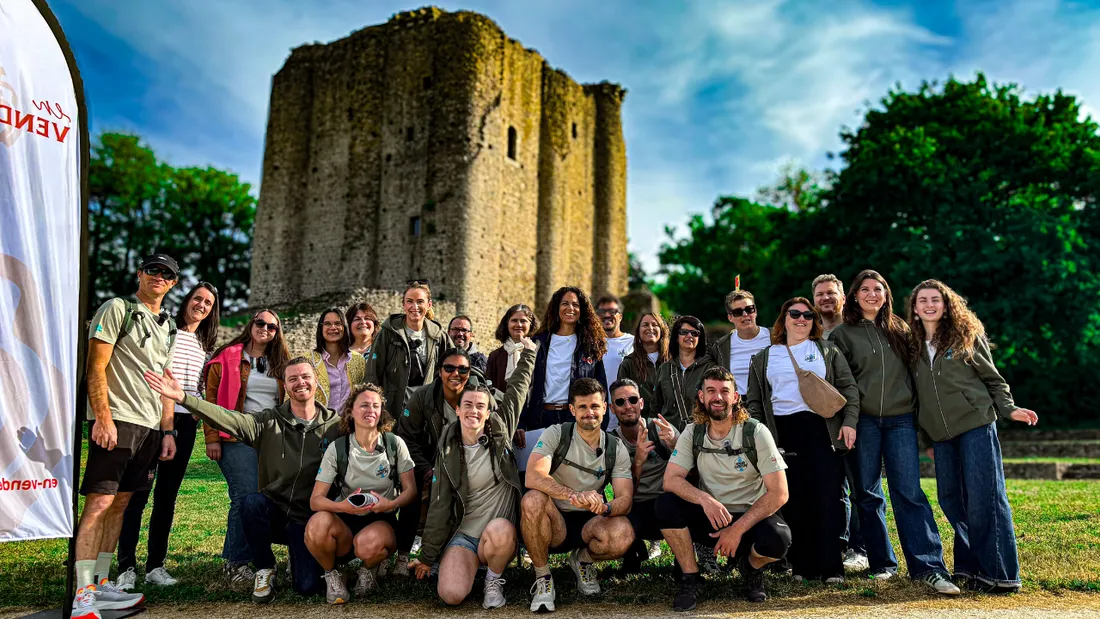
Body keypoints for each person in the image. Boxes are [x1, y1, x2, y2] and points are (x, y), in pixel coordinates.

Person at [145, 357, 343, 603]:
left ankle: (299, 554)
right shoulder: (268, 420)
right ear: (285, 385)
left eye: (305, 377)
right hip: (275, 514)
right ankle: (264, 567)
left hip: (309, 520)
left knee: (307, 587)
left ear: (316, 382)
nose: (300, 383)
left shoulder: (336, 425)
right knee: (251, 502)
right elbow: (229, 418)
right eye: (292, 378)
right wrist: (185, 399)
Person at [828, 270, 957, 593]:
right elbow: (839, 385)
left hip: (901, 421)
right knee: (869, 494)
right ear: (855, 295)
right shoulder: (841, 335)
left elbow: (919, 379)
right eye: (866, 289)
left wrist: (925, 432)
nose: (872, 294)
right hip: (864, 422)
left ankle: (928, 567)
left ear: (886, 295)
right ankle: (882, 564)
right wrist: (847, 423)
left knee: (909, 492)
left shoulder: (901, 329)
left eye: (879, 289)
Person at [908, 279, 1037, 594]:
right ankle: (970, 568)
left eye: (935, 299)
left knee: (985, 499)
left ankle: (1000, 575)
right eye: (922, 300)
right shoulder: (910, 346)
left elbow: (994, 380)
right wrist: (927, 440)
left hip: (976, 424)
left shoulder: (965, 336)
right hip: (941, 435)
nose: (929, 305)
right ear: (914, 307)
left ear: (946, 303)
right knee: (951, 499)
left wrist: (1009, 409)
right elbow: (918, 398)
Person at [71, 253, 180, 619]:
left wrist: (167, 430)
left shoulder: (168, 325)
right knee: (99, 504)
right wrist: (102, 418)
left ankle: (101, 584)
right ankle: (83, 591)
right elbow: (95, 366)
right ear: (140, 273)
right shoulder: (117, 308)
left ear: (173, 283)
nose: (159, 277)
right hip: (117, 419)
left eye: (166, 274)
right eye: (153, 270)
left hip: (149, 428)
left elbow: (165, 383)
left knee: (120, 505)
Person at [410, 338, 539, 608]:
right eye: (467, 405)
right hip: (465, 535)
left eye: (480, 406)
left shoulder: (500, 433)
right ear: (457, 410)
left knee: (501, 530)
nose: (474, 411)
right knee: (451, 595)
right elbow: (439, 506)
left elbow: (517, 389)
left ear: (489, 411)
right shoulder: (447, 452)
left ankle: (493, 578)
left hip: (499, 533)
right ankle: (466, 565)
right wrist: (427, 556)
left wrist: (528, 354)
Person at [744, 297, 859, 584]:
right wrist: (762, 437)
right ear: (783, 319)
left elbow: (849, 389)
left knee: (828, 498)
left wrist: (849, 422)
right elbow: (755, 403)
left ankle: (833, 567)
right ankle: (802, 566)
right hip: (783, 433)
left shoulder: (827, 350)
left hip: (822, 430)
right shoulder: (764, 358)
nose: (801, 319)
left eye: (808, 315)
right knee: (794, 500)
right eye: (794, 313)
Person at [659, 366, 791, 610]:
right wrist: (705, 501)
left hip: (750, 518)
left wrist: (737, 529)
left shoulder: (756, 432)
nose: (717, 397)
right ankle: (691, 578)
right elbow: (671, 479)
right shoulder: (692, 432)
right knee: (665, 504)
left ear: (735, 397)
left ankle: (750, 568)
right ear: (701, 396)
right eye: (711, 391)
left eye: (724, 391)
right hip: (712, 516)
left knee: (779, 540)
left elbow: (780, 492)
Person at [117, 282, 219, 590]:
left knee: (167, 497)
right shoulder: (166, 330)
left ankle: (155, 566)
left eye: (208, 303)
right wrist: (166, 428)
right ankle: (126, 567)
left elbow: (200, 386)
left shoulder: (206, 344)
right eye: (198, 299)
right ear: (187, 300)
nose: (201, 305)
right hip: (154, 419)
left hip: (187, 424)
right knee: (137, 494)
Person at [392, 347, 513, 576]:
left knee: (458, 497)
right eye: (449, 368)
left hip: (471, 459)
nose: (455, 373)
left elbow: (501, 416)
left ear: (469, 372)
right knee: (415, 490)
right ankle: (404, 554)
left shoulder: (478, 395)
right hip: (430, 460)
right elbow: (407, 437)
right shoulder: (423, 397)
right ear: (439, 371)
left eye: (463, 369)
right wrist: (427, 470)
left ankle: (460, 551)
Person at [521, 378, 634, 612]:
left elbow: (625, 499)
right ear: (572, 410)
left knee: (623, 531)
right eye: (582, 407)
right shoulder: (557, 433)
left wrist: (603, 508)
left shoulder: (615, 446)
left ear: (605, 408)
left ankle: (583, 560)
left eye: (594, 406)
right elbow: (533, 476)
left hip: (590, 520)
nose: (589, 413)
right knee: (532, 499)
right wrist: (574, 495)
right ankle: (543, 579)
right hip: (554, 520)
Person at [201, 308, 291, 589]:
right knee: (245, 494)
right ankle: (235, 563)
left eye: (272, 327)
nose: (265, 329)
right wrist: (211, 438)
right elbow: (212, 399)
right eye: (260, 323)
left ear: (278, 333)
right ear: (251, 324)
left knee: (269, 498)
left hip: (272, 439)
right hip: (236, 435)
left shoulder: (281, 363)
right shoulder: (228, 357)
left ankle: (262, 557)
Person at [304, 384, 417, 604]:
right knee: (316, 526)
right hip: (345, 519)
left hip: (381, 520)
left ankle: (369, 569)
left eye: (376, 405)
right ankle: (333, 575)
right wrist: (342, 507)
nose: (370, 410)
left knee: (369, 543)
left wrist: (390, 505)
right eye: (364, 405)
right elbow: (315, 501)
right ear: (351, 411)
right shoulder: (338, 448)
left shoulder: (395, 444)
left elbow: (411, 491)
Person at [517, 286, 608, 477]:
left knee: (574, 476)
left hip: (575, 418)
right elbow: (525, 386)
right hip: (541, 418)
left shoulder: (590, 345)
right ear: (556, 308)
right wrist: (520, 422)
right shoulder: (538, 342)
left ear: (582, 310)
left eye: (575, 304)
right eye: (565, 303)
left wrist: (602, 426)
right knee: (541, 476)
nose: (570, 308)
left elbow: (600, 387)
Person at [812, 273, 868, 572]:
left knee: (861, 485)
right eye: (820, 294)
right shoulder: (810, 334)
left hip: (858, 417)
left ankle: (862, 547)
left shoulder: (856, 329)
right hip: (824, 422)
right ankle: (842, 544)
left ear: (843, 297)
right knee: (835, 488)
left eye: (831, 293)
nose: (826, 298)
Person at [608, 378, 678, 573]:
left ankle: (684, 564)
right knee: (619, 509)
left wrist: (673, 445)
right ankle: (632, 553)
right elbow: (616, 491)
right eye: (620, 402)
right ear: (612, 408)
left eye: (632, 399)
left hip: (666, 503)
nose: (627, 406)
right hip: (633, 505)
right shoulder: (611, 441)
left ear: (641, 403)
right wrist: (637, 461)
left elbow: (691, 472)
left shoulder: (661, 430)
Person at [365, 280, 454, 417]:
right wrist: (374, 406)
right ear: (403, 305)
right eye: (410, 301)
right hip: (392, 409)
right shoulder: (389, 332)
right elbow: (373, 373)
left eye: (420, 301)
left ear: (429, 305)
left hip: (426, 411)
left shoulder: (438, 335)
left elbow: (455, 364)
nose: (415, 306)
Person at [653, 315, 714, 431]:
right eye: (684, 332)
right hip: (669, 436)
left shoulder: (710, 368)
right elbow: (655, 406)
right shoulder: (665, 369)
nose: (689, 336)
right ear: (676, 337)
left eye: (695, 333)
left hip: (701, 435)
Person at [708, 288, 770, 395]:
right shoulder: (721, 347)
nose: (745, 314)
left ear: (755, 311)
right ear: (730, 317)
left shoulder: (775, 338)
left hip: (771, 405)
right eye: (738, 312)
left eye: (749, 309)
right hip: (738, 406)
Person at [304, 308, 366, 412]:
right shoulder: (308, 361)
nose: (333, 327)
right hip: (317, 424)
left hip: (350, 425)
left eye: (338, 323)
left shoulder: (358, 360)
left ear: (344, 327)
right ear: (321, 328)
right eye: (327, 324)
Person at [596, 295, 635, 431]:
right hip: (597, 414)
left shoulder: (633, 342)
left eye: (612, 311)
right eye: (601, 312)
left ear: (620, 316)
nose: (607, 315)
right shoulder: (589, 343)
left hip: (626, 413)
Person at [616, 312, 670, 406]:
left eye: (655, 325)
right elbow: (621, 398)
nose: (650, 328)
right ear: (638, 332)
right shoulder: (628, 364)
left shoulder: (673, 361)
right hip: (640, 419)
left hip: (669, 420)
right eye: (645, 325)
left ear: (661, 330)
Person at [486, 303, 539, 392]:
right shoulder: (495, 356)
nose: (519, 325)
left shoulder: (539, 353)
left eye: (523, 321)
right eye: (514, 320)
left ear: (531, 325)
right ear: (507, 324)